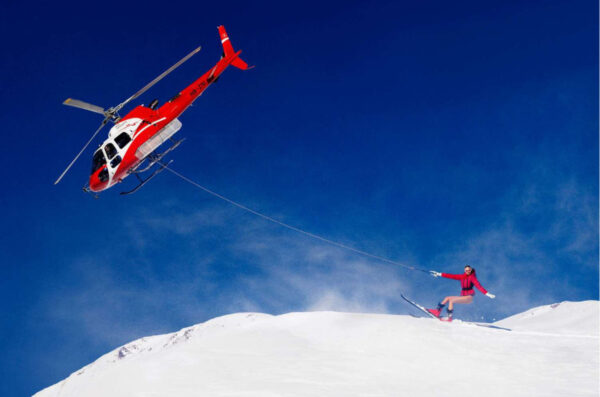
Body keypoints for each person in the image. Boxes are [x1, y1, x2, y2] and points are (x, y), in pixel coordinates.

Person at [427, 265, 495, 320]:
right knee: (447, 298)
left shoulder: (472, 277)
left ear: (471, 270)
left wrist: (487, 293)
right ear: (464, 271)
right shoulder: (462, 277)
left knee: (451, 300)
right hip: (463, 296)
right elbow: (451, 276)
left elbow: (478, 286)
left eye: (469, 270)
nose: (467, 271)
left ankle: (449, 318)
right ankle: (437, 312)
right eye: (466, 270)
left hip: (469, 297)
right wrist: (439, 274)